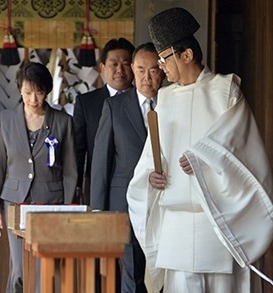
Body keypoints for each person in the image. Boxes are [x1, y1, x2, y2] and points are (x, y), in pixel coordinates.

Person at [126, 7, 273, 292]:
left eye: (163, 59)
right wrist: (151, 177)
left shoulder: (225, 91)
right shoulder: (165, 99)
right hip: (176, 227)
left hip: (216, 225)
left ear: (187, 55)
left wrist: (203, 157)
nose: (161, 68)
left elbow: (241, 148)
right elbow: (150, 161)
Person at [0, 62, 77, 293]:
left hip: (51, 204)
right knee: (19, 269)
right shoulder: (5, 120)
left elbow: (70, 171)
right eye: (28, 92)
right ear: (19, 90)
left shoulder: (63, 121)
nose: (33, 99)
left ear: (46, 91)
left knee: (44, 268)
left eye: (38, 92)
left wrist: (68, 208)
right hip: (15, 203)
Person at [91, 42, 165, 293]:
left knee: (163, 270)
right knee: (132, 273)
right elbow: (101, 163)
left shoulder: (173, 103)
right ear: (133, 69)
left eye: (154, 70)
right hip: (125, 203)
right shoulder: (114, 107)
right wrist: (99, 211)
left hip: (165, 201)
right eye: (141, 69)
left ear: (163, 71)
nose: (147, 77)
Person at [73, 37, 135, 205]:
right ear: (102, 67)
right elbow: (78, 150)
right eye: (114, 64)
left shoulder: (145, 100)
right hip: (97, 185)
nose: (120, 70)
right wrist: (76, 187)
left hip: (136, 184)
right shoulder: (86, 103)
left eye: (126, 64)